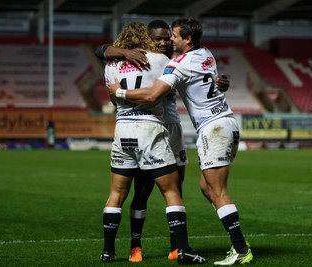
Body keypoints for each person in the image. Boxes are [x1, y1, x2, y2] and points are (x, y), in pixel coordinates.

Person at [107, 18, 253, 266]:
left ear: (186, 39)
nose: (169, 41)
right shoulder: (205, 53)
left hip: (213, 127)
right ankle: (229, 244)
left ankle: (240, 248)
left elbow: (153, 95)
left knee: (217, 191)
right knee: (206, 188)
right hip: (223, 123)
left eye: (172, 36)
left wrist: (118, 92)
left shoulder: (177, 65)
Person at [99, 21, 206, 265]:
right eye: (156, 38)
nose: (161, 42)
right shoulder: (160, 62)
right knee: (171, 191)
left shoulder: (111, 65)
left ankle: (108, 251)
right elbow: (157, 91)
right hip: (151, 127)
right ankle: (182, 249)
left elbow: (112, 97)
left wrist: (122, 87)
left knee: (116, 193)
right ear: (146, 38)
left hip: (124, 128)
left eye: (166, 38)